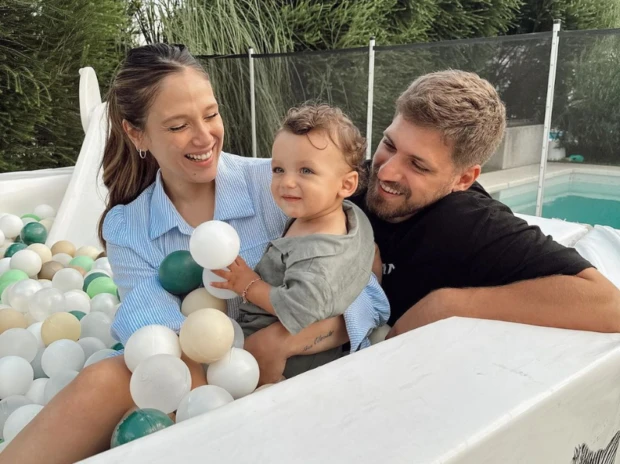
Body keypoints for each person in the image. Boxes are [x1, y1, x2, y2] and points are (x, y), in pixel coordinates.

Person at [0, 44, 388, 464]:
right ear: (137, 134)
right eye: (178, 125)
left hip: (293, 372)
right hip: (196, 381)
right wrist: (215, 407)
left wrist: (283, 342)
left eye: (210, 114)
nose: (204, 137)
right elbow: (158, 338)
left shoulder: (279, 186)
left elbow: (363, 287)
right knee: (109, 380)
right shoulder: (128, 226)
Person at [244, 70, 620, 380]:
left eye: (418, 165)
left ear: (463, 178)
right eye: (390, 145)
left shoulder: (471, 224)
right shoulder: (349, 187)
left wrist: (448, 304)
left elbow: (608, 304)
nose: (386, 172)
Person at [211, 104, 389, 377]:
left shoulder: (318, 256)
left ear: (346, 185)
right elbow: (371, 255)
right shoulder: (348, 216)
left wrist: (249, 285)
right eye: (278, 169)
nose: (287, 182)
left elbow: (299, 309)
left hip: (285, 364)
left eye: (306, 171)